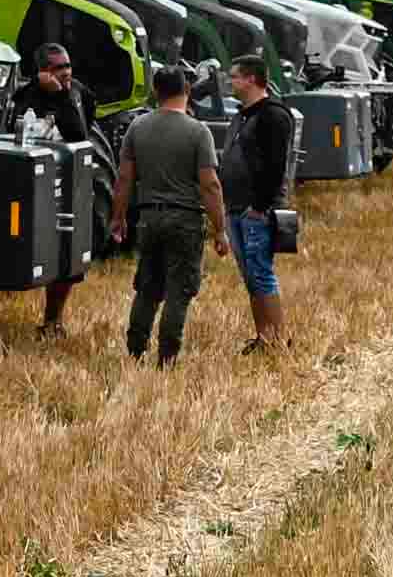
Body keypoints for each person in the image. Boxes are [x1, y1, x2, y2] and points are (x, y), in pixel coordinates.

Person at [115, 64, 223, 363]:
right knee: (179, 291)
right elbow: (210, 185)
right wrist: (220, 229)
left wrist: (118, 217)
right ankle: (167, 358)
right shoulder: (198, 132)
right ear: (187, 91)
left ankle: (135, 350)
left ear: (155, 92)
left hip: (148, 218)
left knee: (147, 287)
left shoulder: (138, 127)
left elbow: (124, 179)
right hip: (186, 219)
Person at [15, 34, 102, 336]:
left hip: (68, 185)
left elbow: (81, 137)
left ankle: (53, 319)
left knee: (67, 257)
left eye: (68, 66)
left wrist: (63, 98)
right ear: (41, 71)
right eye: (58, 68)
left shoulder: (77, 94)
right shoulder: (26, 97)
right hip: (34, 185)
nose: (66, 72)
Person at [221, 52, 296, 358]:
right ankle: (262, 335)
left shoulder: (273, 116)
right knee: (251, 275)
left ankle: (277, 339)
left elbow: (276, 167)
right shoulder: (243, 115)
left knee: (262, 272)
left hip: (257, 210)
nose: (230, 82)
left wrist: (259, 205)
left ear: (251, 79)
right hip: (236, 207)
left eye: (234, 76)